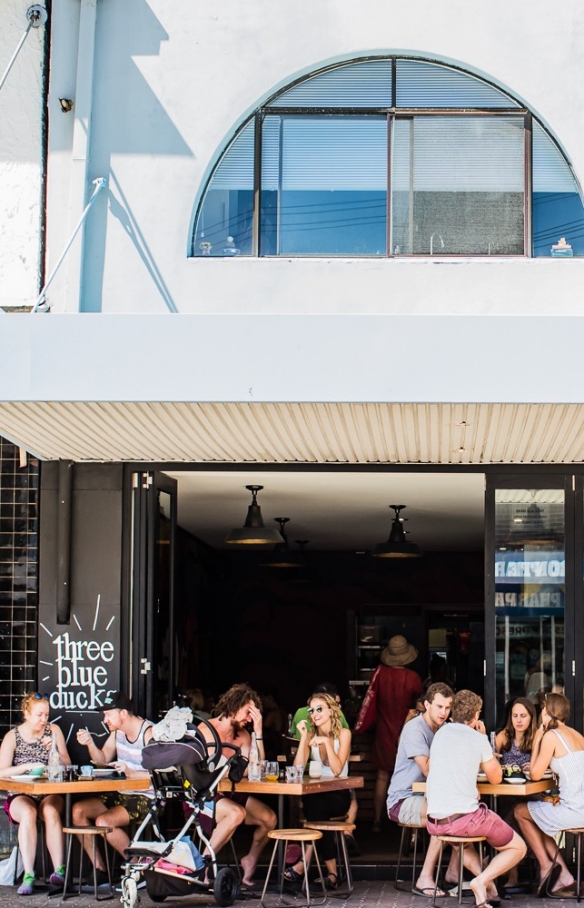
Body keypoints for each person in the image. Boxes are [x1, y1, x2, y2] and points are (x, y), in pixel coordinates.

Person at [426, 690, 526, 908]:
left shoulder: (441, 733)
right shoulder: (477, 738)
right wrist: (483, 742)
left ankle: (486, 889)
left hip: (436, 822)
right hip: (465, 819)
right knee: (518, 848)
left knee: (463, 844)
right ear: (475, 715)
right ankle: (481, 881)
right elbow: (496, 777)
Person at [198, 683, 276, 888]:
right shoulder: (205, 729)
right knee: (236, 814)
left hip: (230, 792)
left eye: (254, 714)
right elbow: (197, 772)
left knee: (269, 818)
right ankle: (202, 866)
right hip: (204, 795)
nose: (249, 718)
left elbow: (255, 769)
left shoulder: (243, 736)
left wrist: (258, 731)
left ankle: (249, 859)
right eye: (248, 712)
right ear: (233, 705)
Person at [73, 691, 154, 881]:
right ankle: (100, 869)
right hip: (122, 793)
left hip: (147, 797)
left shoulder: (149, 732)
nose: (105, 719)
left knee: (104, 822)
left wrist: (131, 772)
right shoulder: (118, 732)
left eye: (108, 714)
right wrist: (90, 743)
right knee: (78, 811)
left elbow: (165, 774)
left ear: (123, 714)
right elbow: (102, 759)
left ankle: (137, 867)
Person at [387, 682, 456, 897]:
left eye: (448, 707)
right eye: (439, 707)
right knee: (443, 816)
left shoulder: (444, 729)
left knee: (464, 815)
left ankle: (454, 873)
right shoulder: (414, 729)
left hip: (431, 797)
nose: (444, 713)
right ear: (426, 705)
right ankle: (425, 877)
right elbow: (428, 770)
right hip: (403, 799)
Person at [0, 692, 71, 895]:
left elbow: (67, 765)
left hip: (50, 792)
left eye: (46, 715)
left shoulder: (54, 730)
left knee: (49, 811)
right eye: (39, 715)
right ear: (26, 713)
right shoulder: (12, 736)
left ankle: (59, 871)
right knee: (29, 813)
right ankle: (29, 874)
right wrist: (26, 767)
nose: (44, 720)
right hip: (20, 793)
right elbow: (1, 771)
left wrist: (54, 751)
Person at [514, 693, 584, 897]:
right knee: (538, 816)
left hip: (575, 811)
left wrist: (537, 740)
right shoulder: (577, 735)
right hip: (578, 806)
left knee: (520, 811)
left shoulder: (551, 736)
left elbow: (535, 774)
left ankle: (547, 866)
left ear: (545, 712)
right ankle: (562, 874)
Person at [354, 634, 423, 831]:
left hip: (383, 731)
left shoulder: (379, 673)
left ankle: (376, 821)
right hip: (408, 731)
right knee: (412, 778)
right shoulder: (413, 678)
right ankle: (409, 826)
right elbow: (419, 705)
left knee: (382, 776)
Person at [286, 693, 352, 890]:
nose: (315, 714)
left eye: (320, 709)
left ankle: (303, 863)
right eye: (312, 710)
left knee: (315, 807)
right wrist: (305, 737)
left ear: (332, 710)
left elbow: (338, 769)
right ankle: (332, 873)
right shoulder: (312, 736)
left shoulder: (344, 734)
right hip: (317, 795)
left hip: (339, 794)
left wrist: (327, 743)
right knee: (315, 806)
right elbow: (298, 767)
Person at [493, 697, 537, 890]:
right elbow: (488, 759)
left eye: (523, 716)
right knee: (506, 812)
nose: (518, 720)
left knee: (514, 813)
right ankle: (510, 871)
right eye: (515, 716)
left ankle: (514, 872)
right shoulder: (504, 736)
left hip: (531, 792)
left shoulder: (537, 739)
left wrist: (533, 766)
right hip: (506, 793)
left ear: (531, 718)